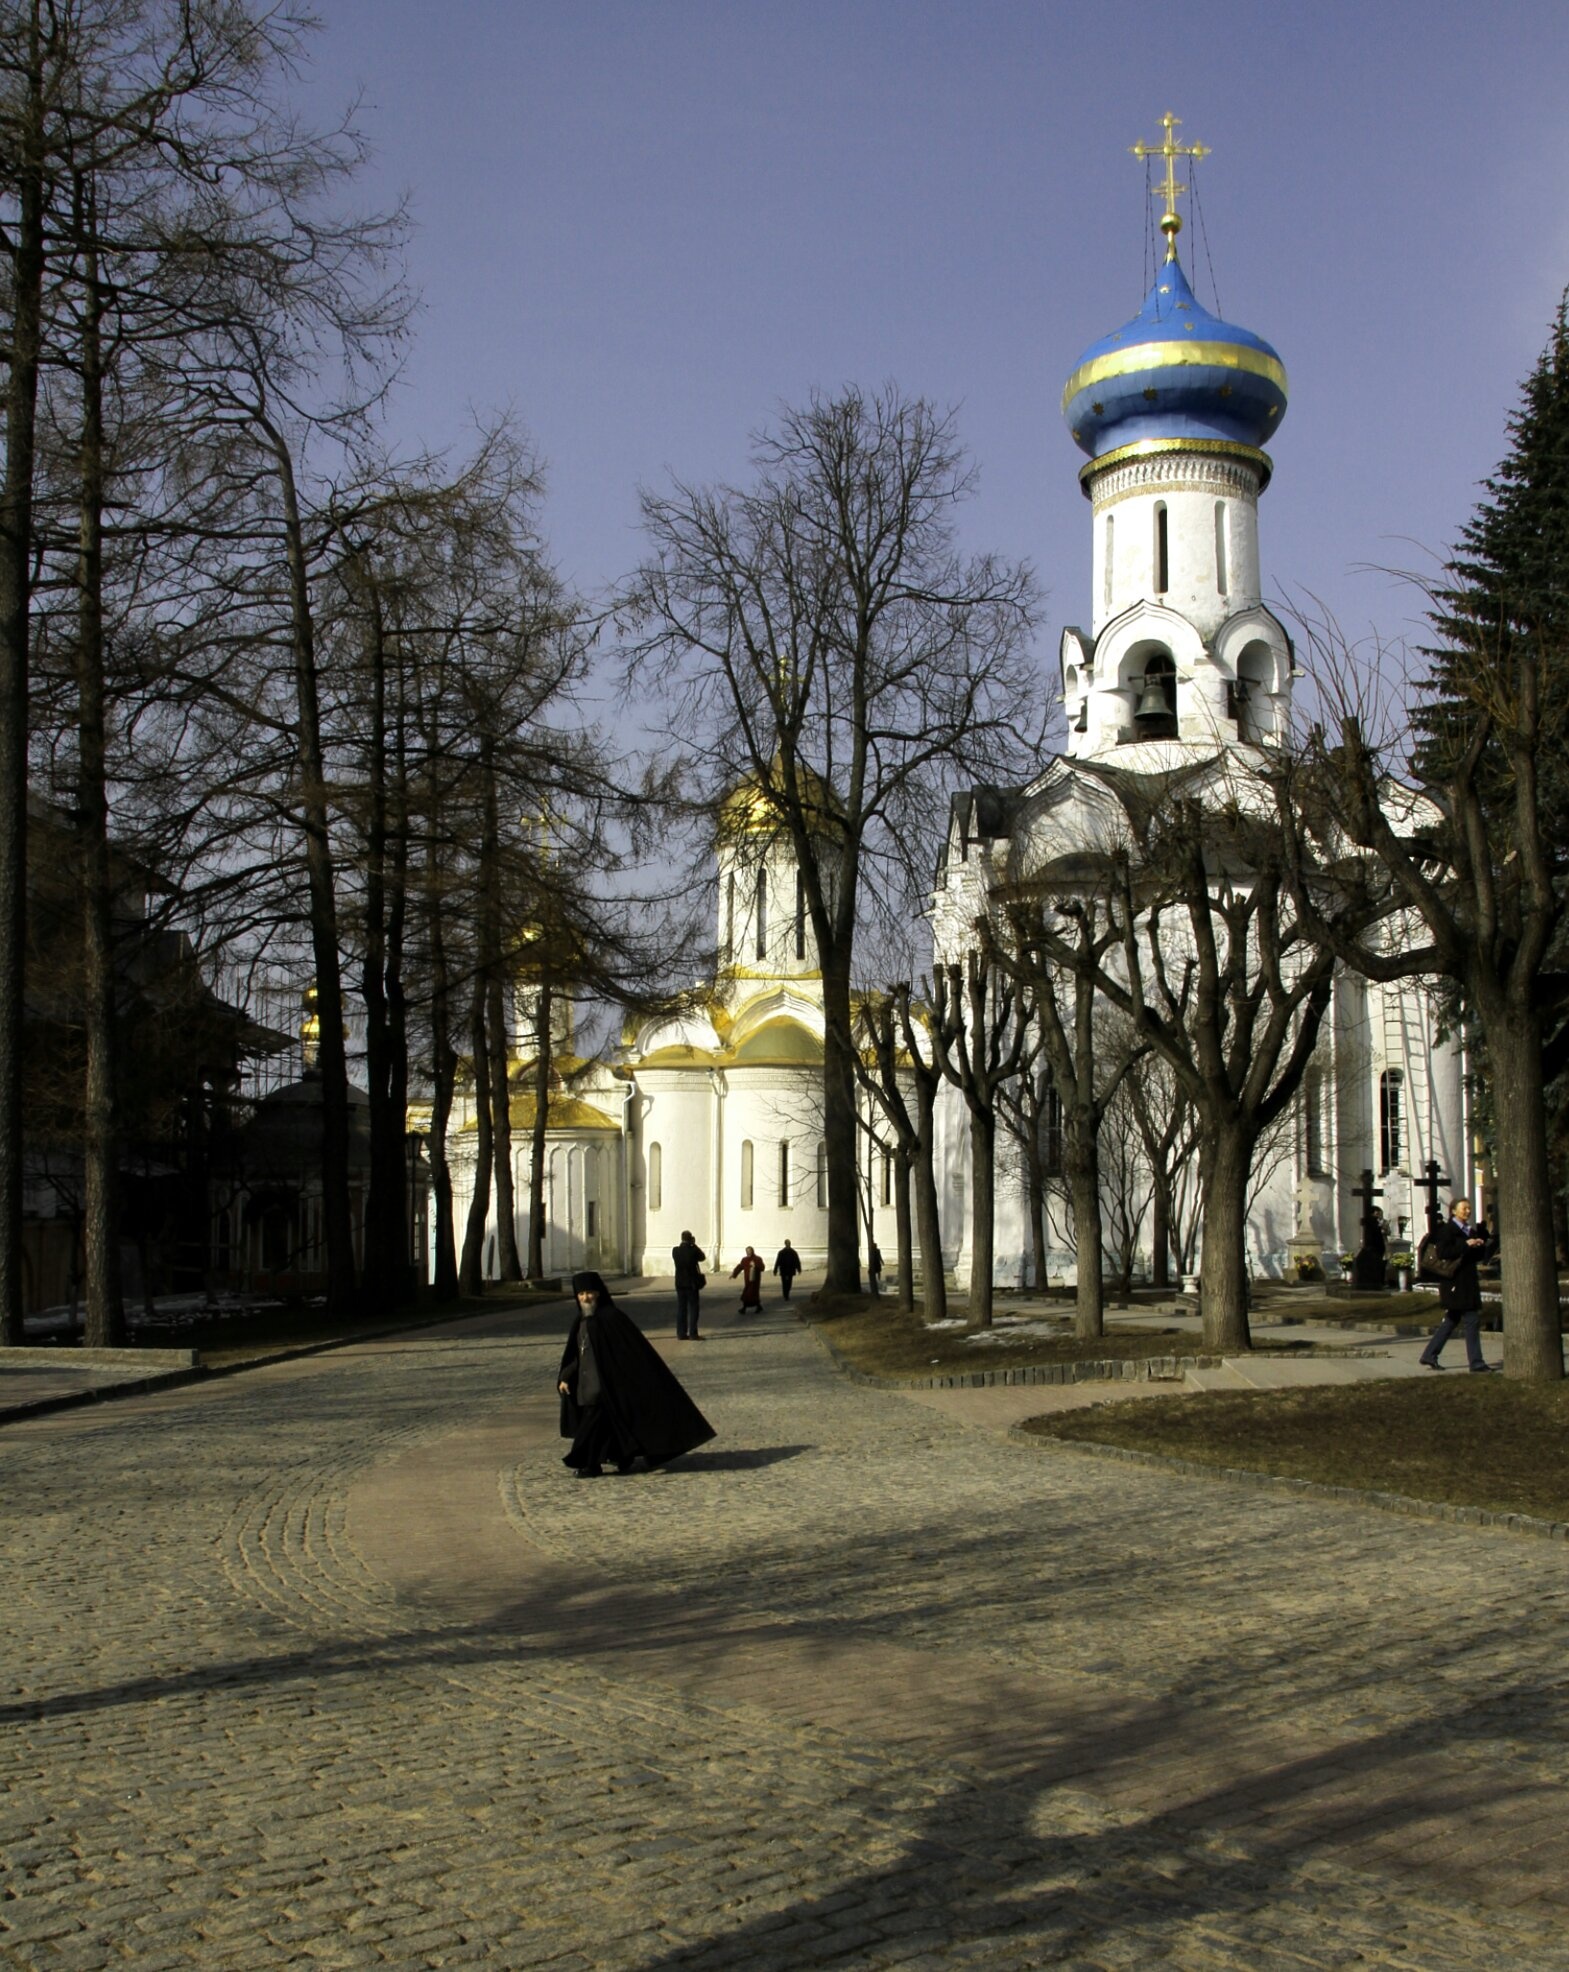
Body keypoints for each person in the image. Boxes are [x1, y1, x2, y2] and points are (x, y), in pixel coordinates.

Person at [557, 1271, 715, 1478]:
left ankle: (589, 1463)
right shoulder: (581, 1321)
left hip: (607, 1386)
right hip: (588, 1384)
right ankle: (622, 1456)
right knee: (607, 1425)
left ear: (599, 1293)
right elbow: (578, 1353)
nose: (586, 1298)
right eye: (581, 1294)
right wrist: (566, 1376)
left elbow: (631, 1354)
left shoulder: (612, 1318)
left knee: (591, 1426)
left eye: (590, 1293)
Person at [1418, 1198, 1497, 1372]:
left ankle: (1429, 1354)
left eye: (1469, 1208)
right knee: (1471, 1319)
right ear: (1454, 1211)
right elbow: (1443, 1252)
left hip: (1467, 1281)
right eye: (1464, 1209)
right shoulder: (1448, 1231)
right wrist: (1465, 1244)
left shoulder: (1470, 1231)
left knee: (1451, 1320)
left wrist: (1480, 1245)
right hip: (1454, 1282)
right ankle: (1476, 1362)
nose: (1467, 1211)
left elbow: (1474, 1256)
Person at [671, 1230, 706, 1340]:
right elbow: (702, 1257)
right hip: (691, 1284)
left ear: (681, 1238)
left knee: (681, 1309)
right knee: (693, 1308)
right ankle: (693, 1333)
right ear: (690, 1238)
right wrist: (694, 1244)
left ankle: (681, 1333)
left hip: (680, 1283)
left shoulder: (675, 1251)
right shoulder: (693, 1251)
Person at [731, 1244, 764, 1310]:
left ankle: (744, 1308)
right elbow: (740, 1267)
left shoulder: (757, 1259)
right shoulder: (745, 1259)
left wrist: (755, 1265)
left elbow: (762, 1268)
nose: (748, 1252)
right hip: (747, 1280)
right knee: (747, 1293)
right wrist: (734, 1274)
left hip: (755, 1280)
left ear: (752, 1251)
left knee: (752, 1294)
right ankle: (757, 1306)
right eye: (747, 1251)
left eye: (750, 1251)